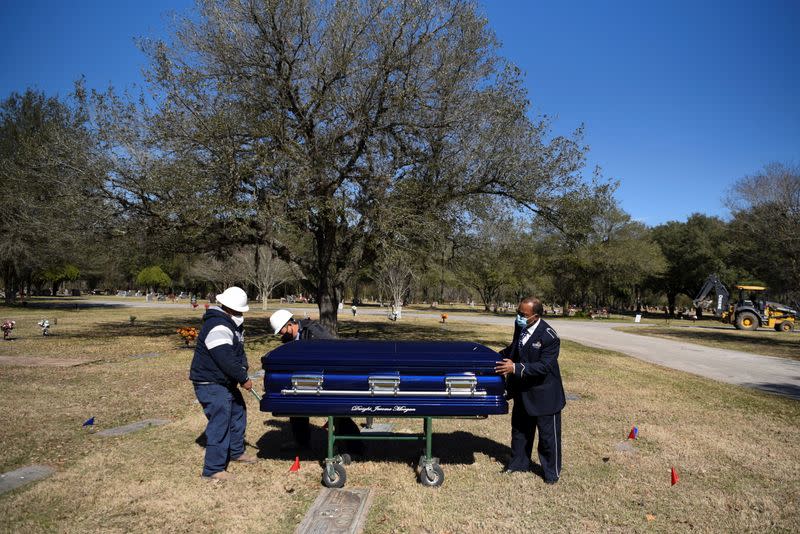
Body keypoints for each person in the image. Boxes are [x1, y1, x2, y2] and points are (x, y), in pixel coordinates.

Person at [268, 309, 363, 454]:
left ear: (289, 324)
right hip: (303, 378)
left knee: (336, 412)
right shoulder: (289, 338)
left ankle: (355, 447)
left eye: (281, 331)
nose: (281, 335)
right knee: (295, 408)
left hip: (325, 376)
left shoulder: (314, 332)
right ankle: (301, 442)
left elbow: (333, 351)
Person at [495, 296, 566, 484]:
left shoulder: (549, 337)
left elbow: (544, 366)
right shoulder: (521, 327)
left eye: (522, 314)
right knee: (520, 431)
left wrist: (515, 368)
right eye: (517, 312)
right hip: (522, 391)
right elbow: (514, 350)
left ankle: (551, 473)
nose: (518, 317)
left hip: (545, 395)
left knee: (548, 438)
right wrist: (493, 357)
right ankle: (518, 463)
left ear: (535, 315)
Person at [189, 286, 257, 481]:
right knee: (220, 421)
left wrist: (242, 368)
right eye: (239, 310)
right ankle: (213, 469)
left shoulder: (231, 325)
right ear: (229, 308)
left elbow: (237, 353)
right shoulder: (218, 326)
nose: (241, 314)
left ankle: (235, 452)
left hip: (224, 381)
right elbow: (225, 359)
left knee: (238, 412)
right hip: (210, 382)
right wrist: (243, 378)